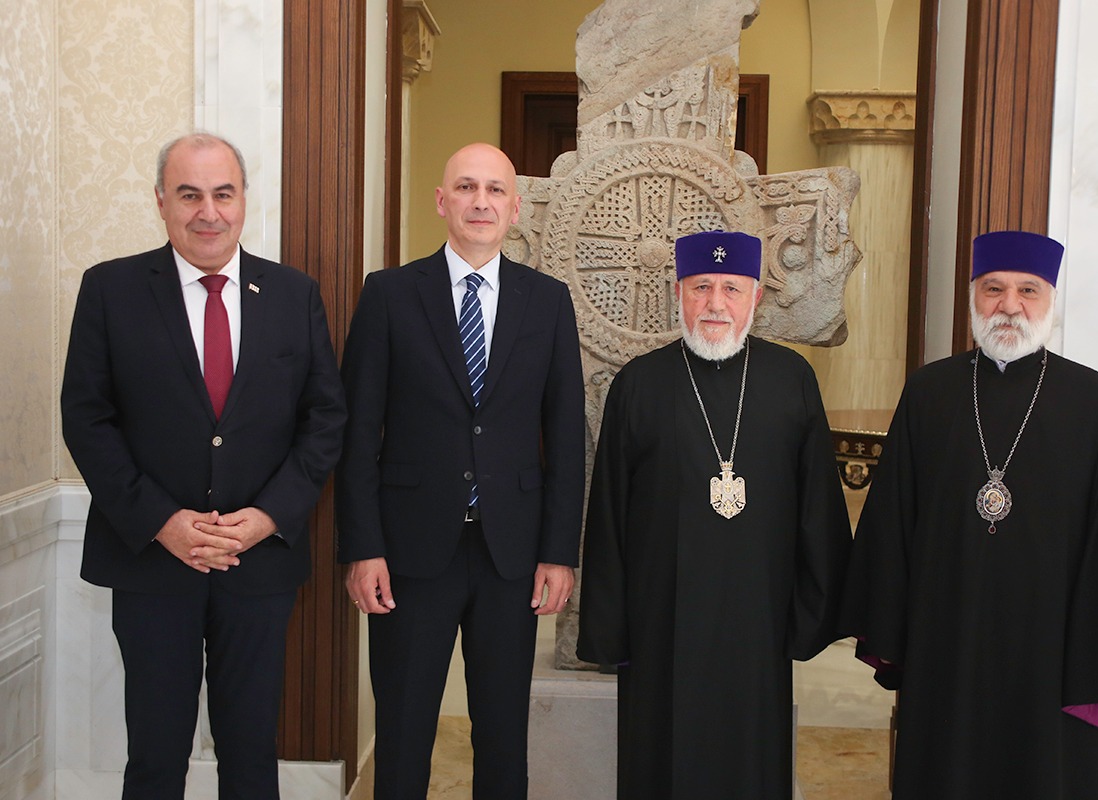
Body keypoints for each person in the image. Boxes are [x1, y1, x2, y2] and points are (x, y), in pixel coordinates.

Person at [841, 230, 1098, 798]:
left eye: (1028, 290)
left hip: (1055, 654)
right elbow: (891, 529)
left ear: (1051, 298)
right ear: (972, 296)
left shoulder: (1096, 403)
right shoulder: (929, 395)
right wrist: (897, 631)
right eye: (993, 288)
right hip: (947, 645)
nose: (1009, 305)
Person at [60, 132, 347, 799]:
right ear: (161, 202)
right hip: (152, 563)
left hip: (259, 564)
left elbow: (325, 419)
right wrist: (162, 521)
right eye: (189, 195)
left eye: (223, 193)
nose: (207, 212)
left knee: (251, 757)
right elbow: (87, 418)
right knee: (155, 757)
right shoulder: (110, 289)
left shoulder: (293, 295)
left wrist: (268, 515)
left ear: (245, 200)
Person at [336, 142, 585, 798]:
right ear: (441, 201)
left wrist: (560, 552)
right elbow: (358, 434)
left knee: (503, 735)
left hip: (512, 553)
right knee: (404, 731)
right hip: (410, 553)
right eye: (467, 188)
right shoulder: (390, 295)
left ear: (515, 208)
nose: (481, 201)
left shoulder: (548, 302)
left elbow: (564, 436)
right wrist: (362, 547)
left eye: (495, 190)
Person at [577, 230, 852, 799]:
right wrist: (610, 629)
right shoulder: (638, 384)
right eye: (701, 287)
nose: (715, 304)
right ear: (678, 293)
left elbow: (819, 509)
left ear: (756, 296)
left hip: (759, 623)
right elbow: (608, 516)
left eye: (732, 287)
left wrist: (811, 613)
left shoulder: (791, 379)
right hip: (660, 627)